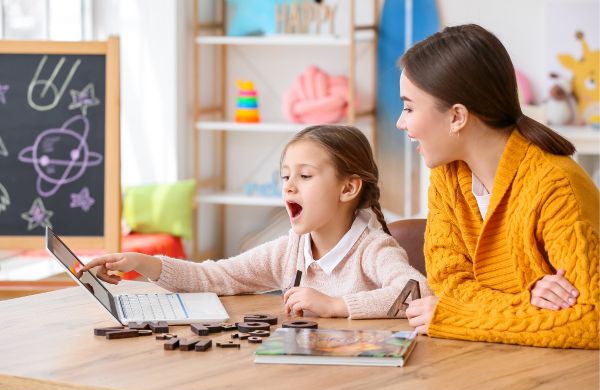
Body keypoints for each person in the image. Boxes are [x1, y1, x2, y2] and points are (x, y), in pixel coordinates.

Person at [81, 125, 430, 319]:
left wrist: (336, 305)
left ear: (348, 187)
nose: (289, 186)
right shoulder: (290, 250)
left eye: (305, 176)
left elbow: (417, 292)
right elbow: (218, 276)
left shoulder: (372, 248)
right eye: (285, 176)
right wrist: (146, 264)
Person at [398, 24, 598, 349]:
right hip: (484, 362)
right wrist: (528, 300)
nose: (401, 122)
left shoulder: (556, 186)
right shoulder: (447, 176)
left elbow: (591, 319)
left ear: (457, 117)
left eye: (409, 108)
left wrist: (456, 317)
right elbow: (449, 286)